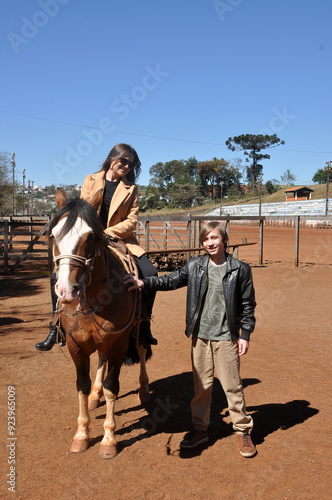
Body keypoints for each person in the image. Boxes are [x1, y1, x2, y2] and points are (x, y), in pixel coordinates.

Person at [124, 221, 257, 457]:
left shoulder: (240, 269)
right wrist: (145, 282)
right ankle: (200, 429)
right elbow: (171, 280)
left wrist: (245, 334)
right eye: (206, 240)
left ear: (224, 240)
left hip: (227, 337)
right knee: (201, 388)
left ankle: (243, 431)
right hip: (200, 337)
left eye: (214, 238)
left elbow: (248, 305)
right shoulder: (195, 265)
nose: (210, 243)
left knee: (232, 386)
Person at [35, 143, 158, 351]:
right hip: (88, 236)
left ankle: (143, 325)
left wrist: (108, 233)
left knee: (149, 272)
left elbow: (131, 221)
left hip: (118, 238)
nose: (127, 166)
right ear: (112, 158)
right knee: (57, 277)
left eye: (131, 164)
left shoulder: (131, 189)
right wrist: (92, 232)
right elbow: (82, 211)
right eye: (123, 161)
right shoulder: (90, 180)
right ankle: (56, 327)